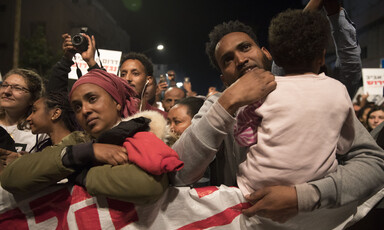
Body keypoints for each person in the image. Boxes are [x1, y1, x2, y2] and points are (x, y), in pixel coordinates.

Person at [171, 0, 384, 223]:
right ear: (224, 79)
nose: (241, 60)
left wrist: (306, 196)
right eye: (228, 60)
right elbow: (178, 172)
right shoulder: (219, 104)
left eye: (245, 48)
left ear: (267, 54)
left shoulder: (311, 92)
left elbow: (372, 164)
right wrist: (229, 102)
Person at [1, 69, 169, 204]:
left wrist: (78, 174)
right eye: (77, 107)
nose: (85, 110)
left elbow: (149, 185)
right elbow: (11, 178)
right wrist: (83, 153)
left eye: (92, 99)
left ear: (116, 102)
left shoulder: (145, 134)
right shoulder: (79, 142)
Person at [234, 9, 355, 196]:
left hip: (255, 188)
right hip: (316, 189)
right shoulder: (338, 90)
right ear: (322, 57)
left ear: (277, 59)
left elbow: (243, 139)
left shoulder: (264, 92)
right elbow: (344, 145)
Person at [0, 68, 49, 153]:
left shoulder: (40, 132)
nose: (7, 91)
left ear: (33, 98)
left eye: (17, 88)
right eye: (4, 85)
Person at [119, 52, 167, 117]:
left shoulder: (161, 117)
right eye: (123, 74)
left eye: (135, 74)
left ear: (148, 80)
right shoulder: (112, 115)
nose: (127, 78)